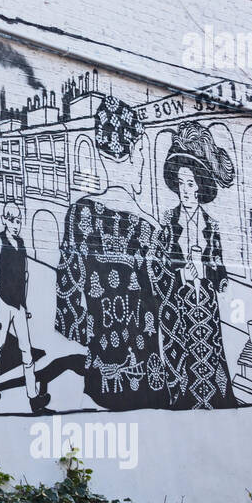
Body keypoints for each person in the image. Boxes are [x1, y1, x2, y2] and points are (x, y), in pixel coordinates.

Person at [54, 94, 167, 411]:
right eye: (143, 153)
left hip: (97, 376)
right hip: (145, 378)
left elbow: (68, 299)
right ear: (132, 154)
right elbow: (165, 306)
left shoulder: (79, 215)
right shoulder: (150, 229)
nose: (145, 162)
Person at [151, 122, 237, 410]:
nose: (185, 190)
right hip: (179, 314)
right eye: (180, 183)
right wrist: (179, 275)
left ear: (200, 186)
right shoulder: (167, 223)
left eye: (190, 183)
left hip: (206, 311)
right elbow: (156, 270)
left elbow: (222, 275)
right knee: (182, 368)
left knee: (212, 362)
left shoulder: (211, 226)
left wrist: (207, 273)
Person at [0, 202, 50, 412]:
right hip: (2, 302)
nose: (16, 225)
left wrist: (25, 304)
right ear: (4, 220)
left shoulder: (21, 243)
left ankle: (33, 397)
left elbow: (25, 276)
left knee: (26, 350)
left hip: (18, 305)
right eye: (12, 220)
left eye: (19, 221)